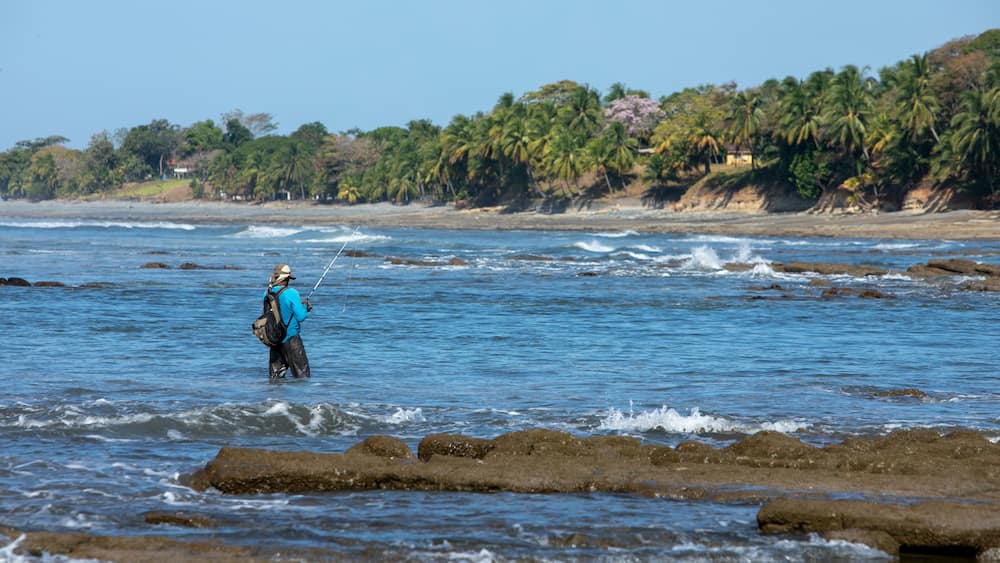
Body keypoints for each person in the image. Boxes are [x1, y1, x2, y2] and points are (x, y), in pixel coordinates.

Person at [265, 263, 312, 379]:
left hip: (274, 340)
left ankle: (274, 397)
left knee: (275, 379)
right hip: (291, 340)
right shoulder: (291, 293)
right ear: (285, 279)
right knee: (302, 378)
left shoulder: (266, 294)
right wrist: (305, 308)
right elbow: (301, 317)